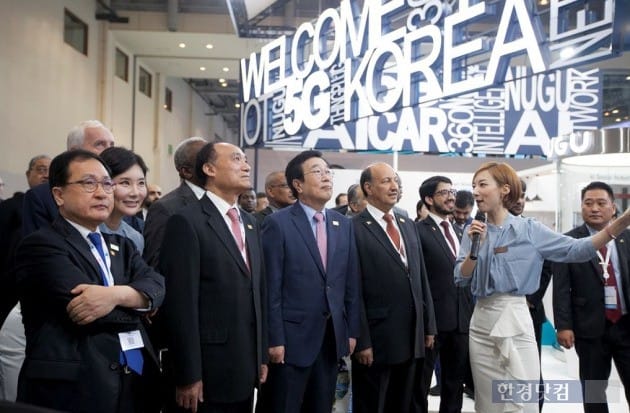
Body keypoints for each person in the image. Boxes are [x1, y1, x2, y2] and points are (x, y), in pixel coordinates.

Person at [455, 162, 630, 413]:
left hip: (515, 317)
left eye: (482, 185)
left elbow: (576, 249)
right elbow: (461, 277)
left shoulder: (530, 230)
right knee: (488, 400)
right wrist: (477, 249)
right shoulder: (474, 231)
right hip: (481, 321)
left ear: (504, 189)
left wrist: (621, 222)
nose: (475, 191)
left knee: (521, 398)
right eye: (473, 186)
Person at [13, 149, 165, 413]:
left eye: (107, 184)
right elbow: (91, 312)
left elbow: (157, 285)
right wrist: (140, 301)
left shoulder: (122, 245)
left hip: (131, 381)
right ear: (59, 195)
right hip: (75, 388)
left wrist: (116, 296)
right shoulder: (41, 245)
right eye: (88, 183)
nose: (102, 192)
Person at [159, 142, 267, 413]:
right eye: (236, 159)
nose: (246, 165)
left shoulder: (250, 223)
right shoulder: (187, 222)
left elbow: (258, 292)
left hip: (245, 365)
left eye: (245, 159)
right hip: (208, 369)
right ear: (209, 169)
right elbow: (180, 305)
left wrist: (260, 355)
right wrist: (188, 374)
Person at [261, 150, 360, 413]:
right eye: (318, 171)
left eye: (328, 172)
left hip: (330, 340)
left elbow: (349, 283)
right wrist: (274, 338)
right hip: (290, 342)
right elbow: (271, 287)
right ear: (298, 184)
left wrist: (350, 330)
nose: (326, 177)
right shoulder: (277, 224)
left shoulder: (342, 224)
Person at [351, 162, 435, 413]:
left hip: (412, 337)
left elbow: (421, 279)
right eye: (386, 181)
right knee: (373, 403)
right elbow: (353, 290)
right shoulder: (353, 228)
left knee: (404, 403)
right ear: (368, 188)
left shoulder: (406, 222)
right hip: (377, 340)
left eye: (395, 180)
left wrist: (428, 326)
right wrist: (362, 340)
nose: (394, 186)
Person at [553, 181, 630, 413]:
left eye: (600, 203)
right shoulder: (568, 241)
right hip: (589, 328)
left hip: (626, 326)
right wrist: (563, 326)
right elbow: (561, 288)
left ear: (613, 208)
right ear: (581, 207)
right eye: (588, 203)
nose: (594, 208)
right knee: (594, 390)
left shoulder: (627, 238)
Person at [417, 176, 473, 413]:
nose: (451, 196)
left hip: (461, 320)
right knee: (420, 384)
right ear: (429, 199)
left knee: (454, 384)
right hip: (433, 323)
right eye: (444, 193)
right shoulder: (417, 231)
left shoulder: (461, 231)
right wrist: (425, 322)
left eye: (452, 191)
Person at [0, 155, 51, 401]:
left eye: (51, 171)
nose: (46, 175)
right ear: (28, 174)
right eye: (41, 170)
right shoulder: (10, 208)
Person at [22, 120, 115, 236]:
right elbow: (40, 247)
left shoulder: (119, 195)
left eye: (112, 145)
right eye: (100, 144)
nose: (110, 150)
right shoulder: (40, 197)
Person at [508, 180, 551, 412]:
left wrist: (530, 299)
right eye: (515, 195)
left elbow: (547, 266)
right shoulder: (484, 228)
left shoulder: (534, 229)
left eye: (523, 195)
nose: (520, 200)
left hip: (528, 310)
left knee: (531, 367)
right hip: (494, 311)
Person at [143, 137, 207, 268]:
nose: (215, 164)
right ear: (187, 171)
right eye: (206, 160)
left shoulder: (219, 204)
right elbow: (156, 265)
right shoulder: (165, 209)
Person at [99, 147, 148, 254]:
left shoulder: (135, 238)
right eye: (125, 183)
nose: (135, 193)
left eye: (141, 183)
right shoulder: (88, 233)